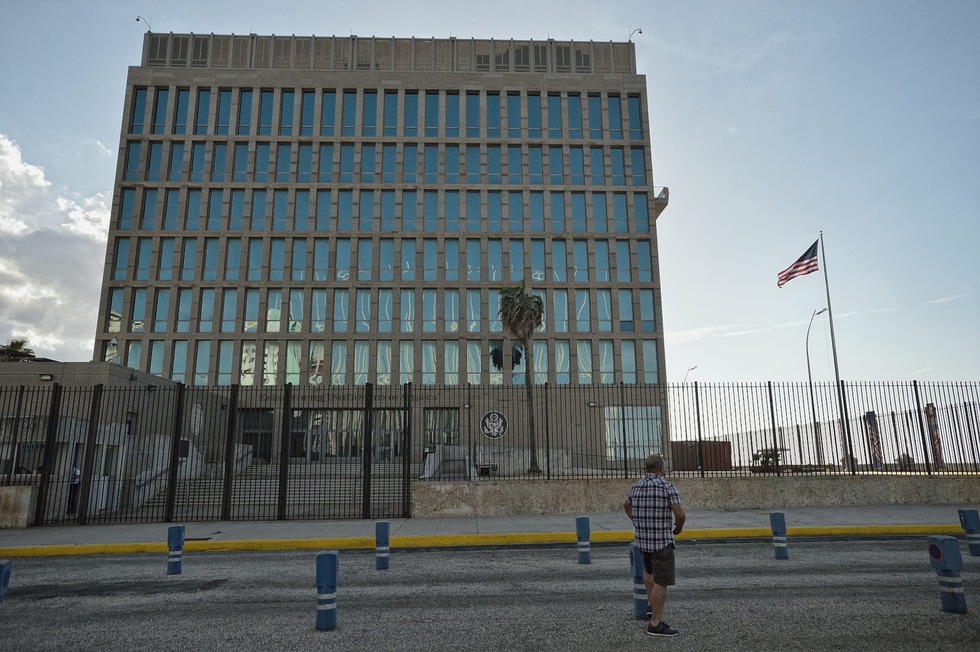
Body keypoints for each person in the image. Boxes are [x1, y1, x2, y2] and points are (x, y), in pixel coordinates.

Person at [623, 453, 686, 637]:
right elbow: (680, 515)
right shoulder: (667, 487)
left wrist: (637, 521)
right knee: (662, 581)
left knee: (648, 571)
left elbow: (626, 505)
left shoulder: (637, 486)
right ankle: (655, 624)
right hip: (662, 542)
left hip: (643, 540)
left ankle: (651, 606)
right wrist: (678, 528)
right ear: (661, 468)